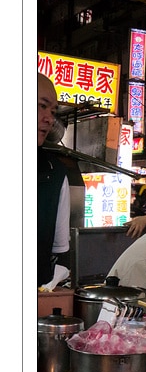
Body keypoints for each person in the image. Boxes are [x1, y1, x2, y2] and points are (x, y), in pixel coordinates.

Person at [37, 73, 70, 287]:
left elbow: (59, 251)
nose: (49, 118)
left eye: (53, 111)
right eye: (42, 106)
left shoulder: (54, 174)